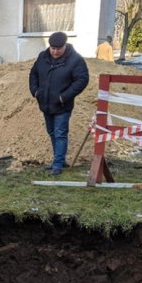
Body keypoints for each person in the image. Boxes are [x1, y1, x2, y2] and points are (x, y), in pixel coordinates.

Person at [29, 31, 90, 176]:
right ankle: (60, 160)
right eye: (53, 48)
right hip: (45, 103)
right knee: (52, 132)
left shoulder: (75, 60)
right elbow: (33, 74)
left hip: (62, 105)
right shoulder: (42, 57)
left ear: (65, 46)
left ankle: (57, 164)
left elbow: (82, 80)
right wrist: (36, 92)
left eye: (58, 49)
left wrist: (64, 97)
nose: (55, 52)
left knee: (60, 133)